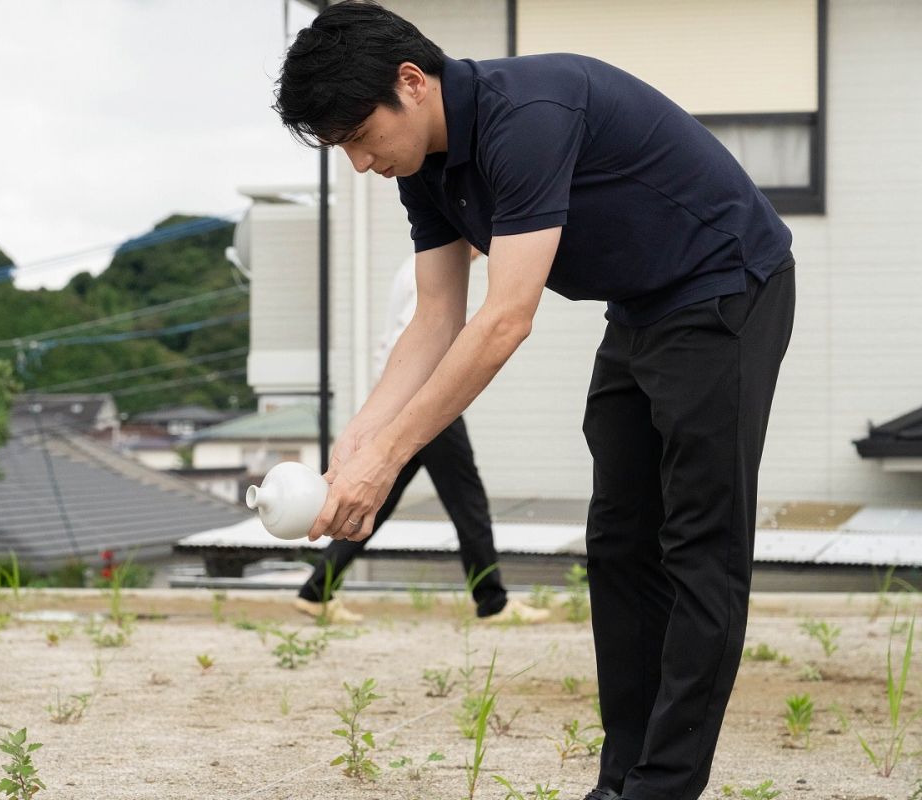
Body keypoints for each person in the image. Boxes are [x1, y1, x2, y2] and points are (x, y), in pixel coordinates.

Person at [273, 3, 795, 799]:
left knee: (698, 546)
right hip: (641, 306)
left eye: (355, 135)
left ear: (411, 84)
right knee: (620, 541)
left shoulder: (528, 116)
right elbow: (436, 318)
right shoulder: (424, 169)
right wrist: (359, 442)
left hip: (727, 283)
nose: (357, 161)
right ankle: (619, 780)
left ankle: (663, 788)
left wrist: (389, 460)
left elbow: (504, 319)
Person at [294, 254, 548, 625]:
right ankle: (492, 602)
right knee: (468, 502)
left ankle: (316, 591)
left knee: (375, 502)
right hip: (426, 401)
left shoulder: (418, 266)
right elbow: (416, 336)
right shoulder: (435, 272)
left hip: (407, 402)